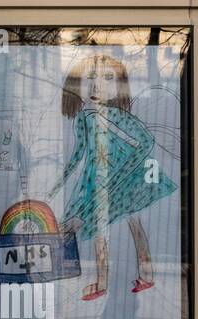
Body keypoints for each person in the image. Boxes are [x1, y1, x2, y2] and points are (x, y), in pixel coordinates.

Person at [50, 53, 175, 301]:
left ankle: (126, 278)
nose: (98, 85)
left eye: (108, 78)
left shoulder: (117, 116)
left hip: (125, 176)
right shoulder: (85, 118)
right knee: (105, 225)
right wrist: (58, 183)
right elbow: (79, 153)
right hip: (98, 177)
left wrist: (123, 173)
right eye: (91, 78)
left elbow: (145, 141)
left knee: (129, 224)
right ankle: (110, 281)